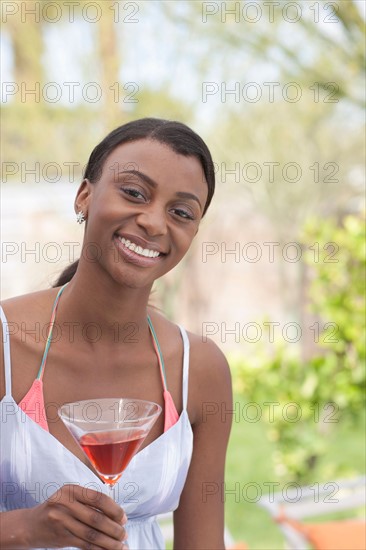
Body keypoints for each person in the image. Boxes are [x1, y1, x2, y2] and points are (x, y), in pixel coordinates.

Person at [0, 118, 233, 549]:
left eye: (180, 212)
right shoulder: (5, 344)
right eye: (134, 193)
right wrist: (27, 528)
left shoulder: (198, 368)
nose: (153, 222)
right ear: (84, 196)